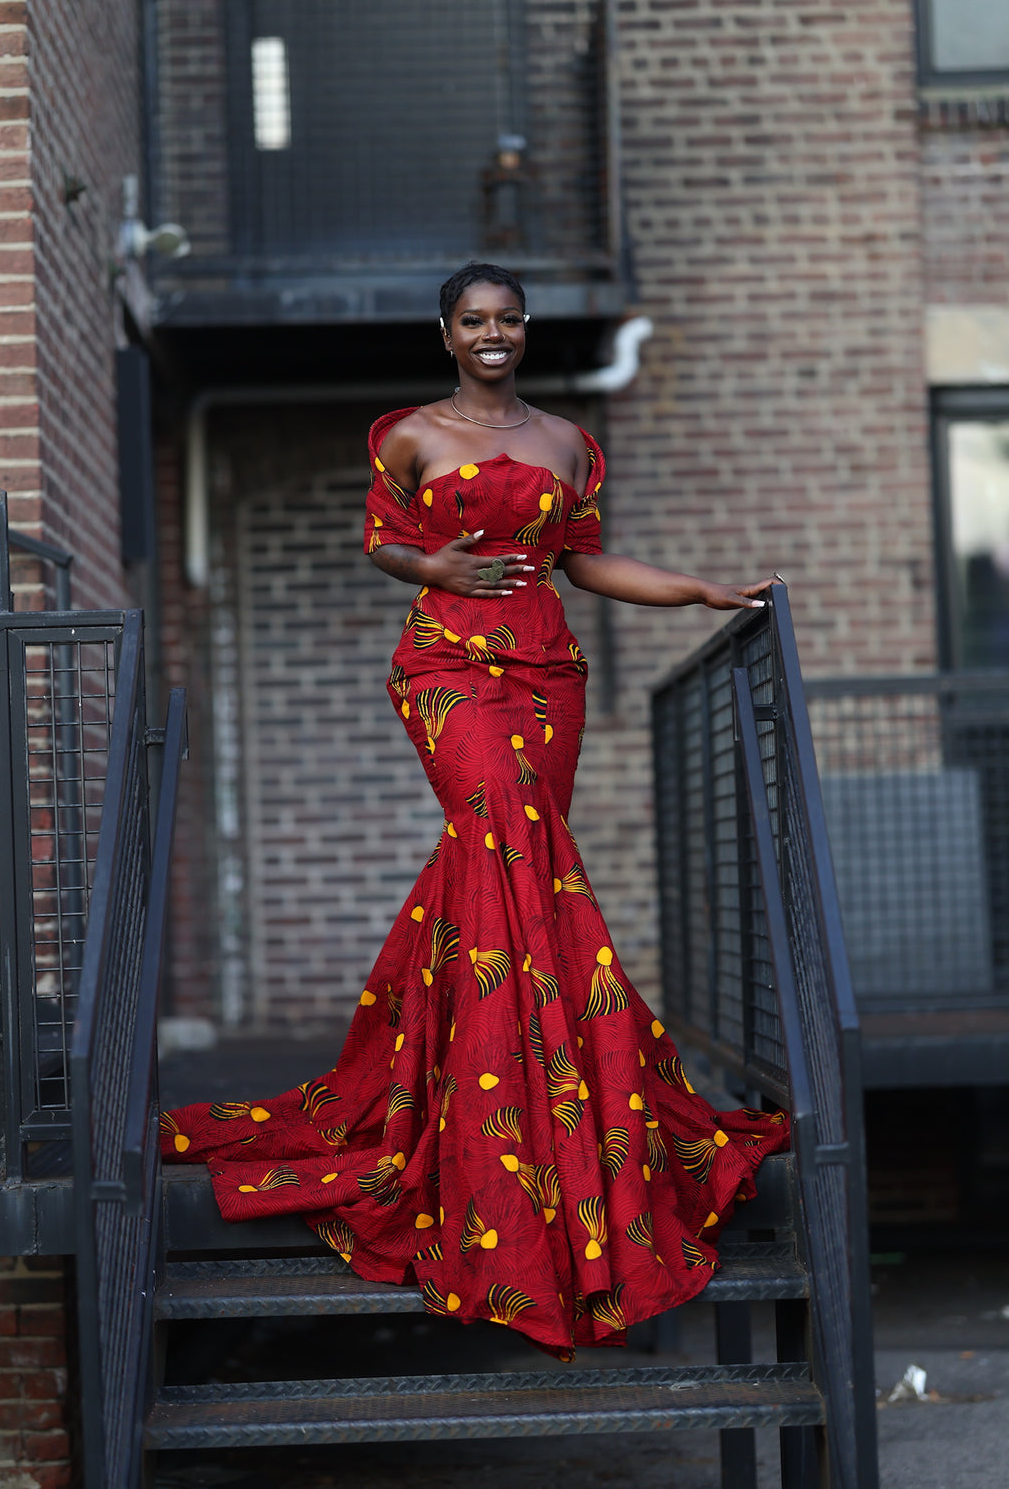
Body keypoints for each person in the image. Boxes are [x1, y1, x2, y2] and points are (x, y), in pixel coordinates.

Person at [160, 262, 789, 1360]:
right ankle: (530, 1112)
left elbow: (585, 563)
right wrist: (432, 565)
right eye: (472, 321)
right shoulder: (408, 434)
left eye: (507, 319)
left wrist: (697, 590)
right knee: (501, 836)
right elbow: (380, 542)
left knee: (516, 869)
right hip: (448, 667)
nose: (492, 334)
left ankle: (506, 1093)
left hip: (547, 674)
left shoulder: (569, 443)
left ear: (524, 329)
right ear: (446, 332)